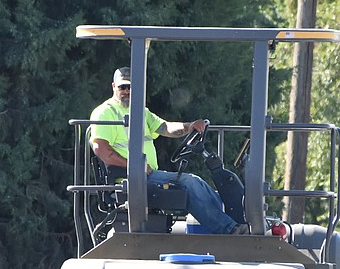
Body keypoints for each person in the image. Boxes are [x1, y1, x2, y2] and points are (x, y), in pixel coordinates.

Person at [88, 66, 247, 234]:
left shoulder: (140, 112)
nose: (127, 91)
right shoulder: (105, 112)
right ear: (114, 86)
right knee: (189, 182)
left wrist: (189, 126)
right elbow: (101, 150)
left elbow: (165, 127)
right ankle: (228, 230)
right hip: (130, 179)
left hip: (147, 175)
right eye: (123, 87)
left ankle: (229, 223)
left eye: (130, 87)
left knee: (197, 182)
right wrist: (134, 167)